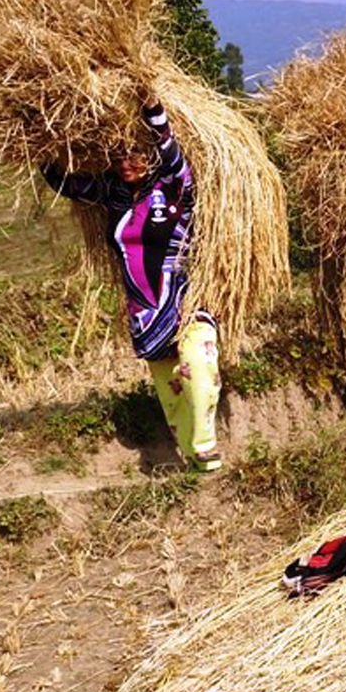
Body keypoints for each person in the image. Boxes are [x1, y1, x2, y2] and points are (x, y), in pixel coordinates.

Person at [42, 101, 222, 471]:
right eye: (119, 156)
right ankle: (195, 467)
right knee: (172, 397)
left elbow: (172, 153)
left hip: (186, 299)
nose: (127, 163)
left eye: (136, 154)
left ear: (150, 155)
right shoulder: (113, 193)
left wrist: (154, 114)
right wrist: (39, 142)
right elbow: (65, 184)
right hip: (144, 310)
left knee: (199, 366)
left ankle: (205, 445)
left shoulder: (174, 186)